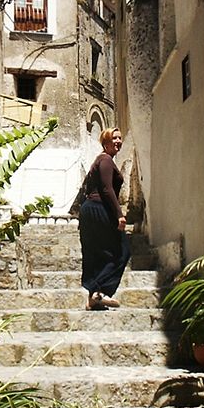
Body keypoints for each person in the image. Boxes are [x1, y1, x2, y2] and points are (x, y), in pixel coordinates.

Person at [78, 127, 131, 310]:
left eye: (119, 138)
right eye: (113, 138)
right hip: (100, 208)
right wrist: (119, 215)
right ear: (105, 142)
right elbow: (107, 189)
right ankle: (98, 292)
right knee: (122, 251)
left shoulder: (100, 160)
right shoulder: (106, 160)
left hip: (89, 210)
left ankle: (95, 296)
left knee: (100, 253)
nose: (118, 141)